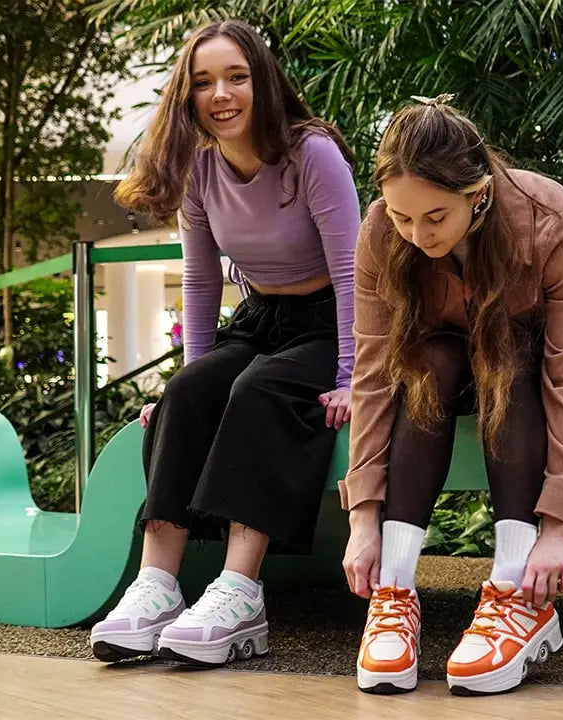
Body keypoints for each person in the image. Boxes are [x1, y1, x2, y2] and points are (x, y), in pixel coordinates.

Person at [341, 96, 563, 695]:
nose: (417, 234)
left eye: (435, 216)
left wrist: (557, 529)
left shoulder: (548, 216)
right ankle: (394, 590)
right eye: (403, 217)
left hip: (561, 364)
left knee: (504, 351)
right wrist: (362, 518)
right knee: (429, 362)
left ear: (478, 192)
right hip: (459, 360)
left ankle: (517, 593)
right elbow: (375, 371)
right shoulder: (384, 229)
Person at [89, 20, 360, 667]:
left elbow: (355, 271)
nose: (221, 94)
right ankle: (157, 586)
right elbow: (203, 278)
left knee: (259, 389)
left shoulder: (310, 153)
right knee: (187, 391)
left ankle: (241, 594)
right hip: (264, 317)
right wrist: (193, 370)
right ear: (187, 95)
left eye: (236, 77)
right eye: (205, 81)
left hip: (335, 320)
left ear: (261, 82)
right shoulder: (200, 166)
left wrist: (355, 374)